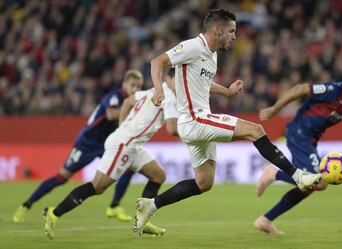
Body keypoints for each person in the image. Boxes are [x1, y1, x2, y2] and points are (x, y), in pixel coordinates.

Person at [133, 9, 321, 237]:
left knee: (204, 183)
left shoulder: (211, 55)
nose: (234, 36)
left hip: (196, 123)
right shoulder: (193, 46)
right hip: (195, 119)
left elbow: (203, 84)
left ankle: (150, 205)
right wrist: (158, 90)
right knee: (255, 130)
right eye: (231, 31)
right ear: (217, 30)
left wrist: (228, 92)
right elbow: (157, 62)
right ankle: (299, 176)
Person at [42, 68, 178, 239]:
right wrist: (192, 135)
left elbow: (128, 101)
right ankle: (54, 213)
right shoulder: (170, 98)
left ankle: (143, 221)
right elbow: (172, 129)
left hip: (131, 144)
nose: (180, 84)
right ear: (169, 79)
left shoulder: (152, 91)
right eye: (178, 80)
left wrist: (122, 125)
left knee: (158, 175)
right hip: (124, 145)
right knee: (98, 186)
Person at [254, 64, 342, 235]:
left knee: (307, 188)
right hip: (299, 132)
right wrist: (275, 109)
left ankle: (265, 220)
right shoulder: (334, 90)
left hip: (310, 140)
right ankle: (274, 173)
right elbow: (301, 88)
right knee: (320, 182)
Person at [13, 70, 143, 223]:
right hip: (87, 143)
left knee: (129, 168)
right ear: (124, 84)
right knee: (61, 177)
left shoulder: (131, 101)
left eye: (138, 87)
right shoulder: (116, 96)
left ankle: (114, 206)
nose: (135, 89)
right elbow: (111, 114)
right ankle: (26, 204)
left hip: (107, 144)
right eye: (132, 85)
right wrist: (134, 110)